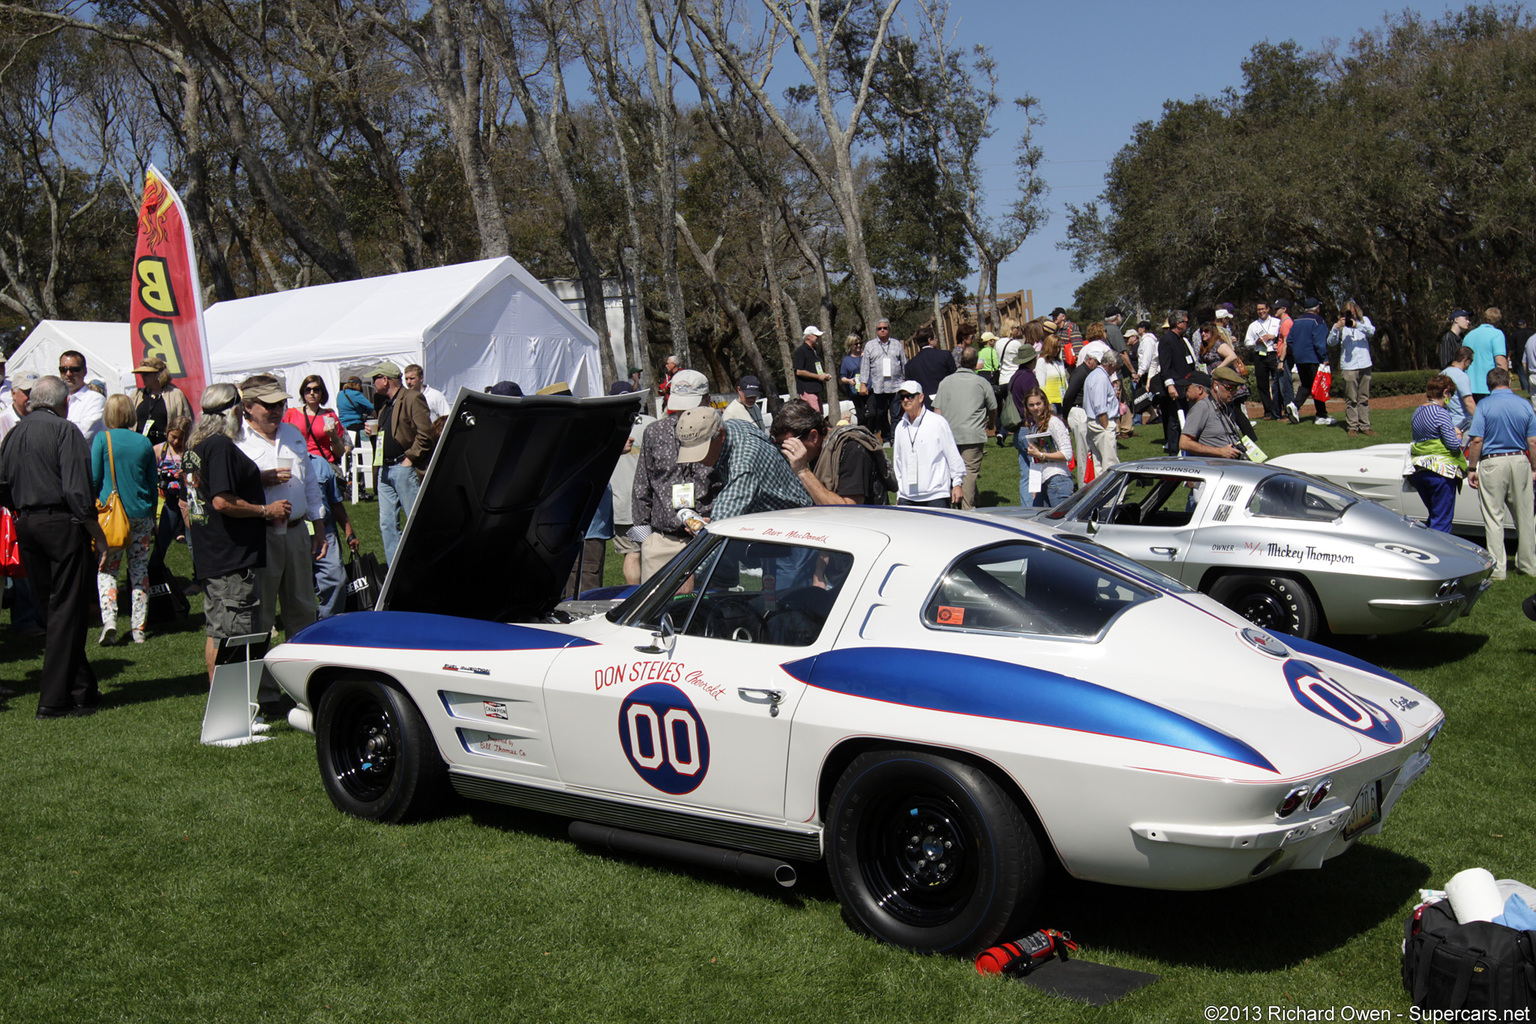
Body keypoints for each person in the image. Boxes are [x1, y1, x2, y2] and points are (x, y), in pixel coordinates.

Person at [0, 375, 109, 717]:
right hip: (61, 524)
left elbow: (3, 482)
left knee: (55, 611)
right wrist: (97, 532)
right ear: (63, 403)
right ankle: (54, 698)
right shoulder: (65, 431)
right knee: (67, 609)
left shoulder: (14, 433)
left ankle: (81, 687)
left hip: (26, 524)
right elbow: (78, 490)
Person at [184, 383, 280, 684]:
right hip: (231, 557)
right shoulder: (220, 446)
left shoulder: (196, 447)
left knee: (217, 633)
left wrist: (256, 477)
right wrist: (266, 511)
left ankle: (221, 709)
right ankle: (234, 715)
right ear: (236, 411)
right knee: (235, 636)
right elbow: (221, 501)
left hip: (212, 553)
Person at [235, 375, 325, 666]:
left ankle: (302, 681)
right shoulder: (236, 439)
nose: (276, 410)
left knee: (302, 608)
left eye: (281, 404)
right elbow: (227, 492)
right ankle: (265, 689)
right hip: (259, 533)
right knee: (260, 612)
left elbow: (309, 481)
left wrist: (319, 526)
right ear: (248, 406)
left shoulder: (292, 433)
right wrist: (259, 479)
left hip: (298, 531)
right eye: (268, 405)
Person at [631, 369, 715, 581]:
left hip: (709, 541)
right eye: (680, 407)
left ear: (707, 400)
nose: (684, 414)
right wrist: (646, 540)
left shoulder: (720, 433)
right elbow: (643, 483)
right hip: (663, 541)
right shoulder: (655, 432)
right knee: (653, 609)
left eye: (691, 406)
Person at [91, 394, 159, 645]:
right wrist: (153, 516)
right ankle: (138, 627)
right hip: (141, 512)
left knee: (107, 569)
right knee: (139, 570)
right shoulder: (143, 442)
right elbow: (152, 483)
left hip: (112, 516)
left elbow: (95, 479)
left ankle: (109, 620)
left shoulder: (102, 439)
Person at [674, 406, 811, 521]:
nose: (698, 460)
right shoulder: (733, 426)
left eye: (702, 450)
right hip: (766, 518)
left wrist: (713, 530)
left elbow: (723, 524)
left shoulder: (745, 462)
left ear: (721, 436)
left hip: (794, 523)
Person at [1465, 367, 1536, 580]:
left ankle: (1498, 569)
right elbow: (1532, 440)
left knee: (1493, 517)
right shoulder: (1524, 404)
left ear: (1489, 385)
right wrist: (1534, 467)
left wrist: (1471, 468)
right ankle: (1528, 565)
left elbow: (1477, 439)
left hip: (1492, 462)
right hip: (1519, 460)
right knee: (1525, 516)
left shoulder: (1484, 405)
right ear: (1510, 382)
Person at [365, 361, 433, 565]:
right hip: (385, 469)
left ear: (385, 380)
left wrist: (410, 458)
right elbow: (386, 436)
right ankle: (395, 570)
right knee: (387, 524)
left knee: (414, 520)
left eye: (375, 378)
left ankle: (424, 563)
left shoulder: (412, 398)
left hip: (403, 468)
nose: (373, 382)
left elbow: (426, 433)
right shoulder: (384, 404)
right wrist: (372, 435)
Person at [772, 399, 888, 506]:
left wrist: (803, 471)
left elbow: (848, 509)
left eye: (790, 443)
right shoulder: (817, 451)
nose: (785, 450)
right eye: (780, 445)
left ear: (813, 436)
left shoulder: (851, 448)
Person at [934, 346, 996, 509]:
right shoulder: (981, 382)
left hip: (950, 435)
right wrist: (991, 423)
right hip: (973, 435)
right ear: (976, 363)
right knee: (968, 474)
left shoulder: (945, 382)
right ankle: (967, 511)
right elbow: (993, 407)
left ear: (960, 361)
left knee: (957, 473)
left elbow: (937, 410)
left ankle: (970, 504)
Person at [1406, 375, 1467, 533]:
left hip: (1419, 469)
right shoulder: (1441, 413)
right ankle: (1439, 552)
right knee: (1442, 520)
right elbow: (1453, 445)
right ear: (1446, 392)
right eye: (1451, 395)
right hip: (1440, 471)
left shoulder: (1418, 411)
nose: (1450, 399)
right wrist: (1459, 436)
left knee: (1434, 515)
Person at [890, 380, 964, 507]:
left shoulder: (938, 423)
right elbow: (898, 462)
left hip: (936, 495)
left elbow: (952, 454)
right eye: (902, 397)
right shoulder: (900, 428)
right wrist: (899, 493)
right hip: (907, 496)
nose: (906, 400)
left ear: (921, 397)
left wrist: (957, 483)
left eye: (910, 396)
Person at [307, 452, 359, 619]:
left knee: (337, 580)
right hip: (293, 533)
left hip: (325, 532)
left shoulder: (320, 464)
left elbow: (335, 502)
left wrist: (349, 532)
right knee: (297, 591)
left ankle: (328, 625)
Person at [149, 416, 192, 580]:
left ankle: (199, 577)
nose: (176, 442)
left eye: (180, 439)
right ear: (167, 433)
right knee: (163, 537)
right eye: (173, 437)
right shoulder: (160, 450)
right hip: (170, 501)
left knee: (192, 540)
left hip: (188, 501)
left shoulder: (189, 451)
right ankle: (153, 571)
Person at [1020, 386, 1073, 508]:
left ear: (1045, 403)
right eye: (1031, 405)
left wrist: (1041, 455)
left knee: (1059, 524)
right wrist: (1035, 487)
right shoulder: (1035, 426)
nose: (1035, 408)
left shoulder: (1054, 423)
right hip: (1043, 481)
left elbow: (1067, 454)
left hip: (1058, 480)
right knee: (1039, 523)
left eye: (1038, 403)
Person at [1330, 300, 1377, 435]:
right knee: (1351, 397)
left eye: (1353, 311)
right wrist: (1336, 328)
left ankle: (1365, 425)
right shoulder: (1340, 326)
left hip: (1364, 363)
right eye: (1348, 312)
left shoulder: (1364, 321)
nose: (1351, 314)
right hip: (1349, 365)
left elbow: (1371, 332)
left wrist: (1357, 325)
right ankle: (1352, 426)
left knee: (1364, 397)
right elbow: (1331, 342)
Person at [1244, 301, 1296, 422]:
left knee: (1278, 383)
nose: (1261, 311)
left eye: (1263, 309)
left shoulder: (1277, 322)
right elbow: (1247, 342)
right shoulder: (1253, 325)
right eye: (1259, 309)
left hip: (1274, 354)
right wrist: (1255, 342)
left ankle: (1281, 409)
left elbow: (1284, 337)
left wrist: (1274, 337)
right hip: (1260, 355)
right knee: (1262, 385)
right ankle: (1268, 411)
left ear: (1268, 309)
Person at [1156, 310, 1199, 454]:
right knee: (1175, 420)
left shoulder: (1182, 339)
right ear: (1178, 323)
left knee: (1187, 417)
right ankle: (1174, 450)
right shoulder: (1167, 340)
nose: (1187, 324)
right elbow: (1165, 366)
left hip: (1187, 384)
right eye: (1186, 322)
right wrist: (1170, 385)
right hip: (1176, 386)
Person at [1179, 369, 1246, 460]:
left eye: (1236, 388)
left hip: (1233, 463)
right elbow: (1184, 443)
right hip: (1217, 467)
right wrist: (1220, 452)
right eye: (1230, 387)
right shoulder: (1202, 407)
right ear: (1216, 386)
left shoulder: (1226, 408)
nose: (1234, 392)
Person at [283, 374, 347, 464]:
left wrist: (333, 436)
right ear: (303, 392)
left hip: (322, 465)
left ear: (322, 393)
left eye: (316, 389)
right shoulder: (291, 414)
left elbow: (340, 453)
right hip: (298, 464)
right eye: (307, 390)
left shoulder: (329, 416)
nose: (311, 393)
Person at [1288, 298, 1333, 424]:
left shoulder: (1296, 321)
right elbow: (1320, 341)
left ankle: (1295, 405)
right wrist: (1324, 357)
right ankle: (1321, 415)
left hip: (1300, 359)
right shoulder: (1318, 321)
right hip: (1314, 357)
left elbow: (1290, 340)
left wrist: (1297, 351)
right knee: (1318, 385)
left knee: (1307, 385)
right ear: (1317, 308)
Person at [130, 357, 193, 447]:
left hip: (166, 447)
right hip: (140, 446)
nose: (142, 376)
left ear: (158, 374)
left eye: (146, 373)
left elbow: (186, 422)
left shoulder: (175, 394)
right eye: (141, 373)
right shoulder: (137, 394)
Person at [860, 319, 906, 442]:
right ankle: (885, 438)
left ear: (889, 329)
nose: (882, 330)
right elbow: (865, 366)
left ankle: (895, 438)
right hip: (878, 386)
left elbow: (903, 364)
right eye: (880, 328)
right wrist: (863, 384)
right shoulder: (870, 345)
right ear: (876, 331)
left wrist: (905, 381)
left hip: (896, 385)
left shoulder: (897, 344)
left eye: (885, 328)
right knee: (881, 414)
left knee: (896, 414)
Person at [1082, 341, 1121, 473]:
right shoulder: (1100, 378)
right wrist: (1106, 427)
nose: (1115, 372)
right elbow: (1100, 406)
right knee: (1110, 462)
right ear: (1110, 364)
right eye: (1115, 368)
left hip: (1095, 421)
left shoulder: (1094, 375)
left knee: (1098, 462)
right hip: (1101, 422)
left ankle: (1101, 492)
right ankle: (1114, 492)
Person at [57, 349, 105, 442]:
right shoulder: (55, 399)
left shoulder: (96, 400)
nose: (68, 374)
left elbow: (85, 434)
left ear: (85, 371)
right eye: (64, 369)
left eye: (74, 369)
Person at [1465, 308, 1509, 401]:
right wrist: (1505, 382)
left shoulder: (1469, 335)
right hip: (1488, 385)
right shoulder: (1497, 334)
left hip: (1469, 385)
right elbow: (1500, 361)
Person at [905, 328, 954, 408]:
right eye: (935, 338)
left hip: (924, 405)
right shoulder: (945, 356)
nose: (937, 340)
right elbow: (953, 378)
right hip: (946, 402)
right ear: (930, 340)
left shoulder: (910, 365)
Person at [793, 325, 831, 412]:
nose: (818, 338)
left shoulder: (814, 351)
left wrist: (823, 376)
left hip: (816, 390)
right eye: (816, 336)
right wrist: (818, 377)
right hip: (808, 391)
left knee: (819, 416)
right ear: (808, 336)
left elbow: (815, 369)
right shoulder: (800, 351)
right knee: (814, 417)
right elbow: (799, 371)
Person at [1442, 346, 1477, 433]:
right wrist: (1482, 420)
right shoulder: (1461, 376)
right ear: (1465, 360)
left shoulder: (1443, 374)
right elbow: (1469, 402)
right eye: (1471, 361)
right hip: (1463, 424)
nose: (1470, 364)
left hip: (1448, 423)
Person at [838, 334, 867, 426]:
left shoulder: (866, 356)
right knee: (861, 415)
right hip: (855, 391)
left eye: (860, 343)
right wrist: (849, 381)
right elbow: (842, 377)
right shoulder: (846, 360)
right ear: (850, 345)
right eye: (856, 344)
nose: (858, 345)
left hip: (868, 388)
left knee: (872, 413)